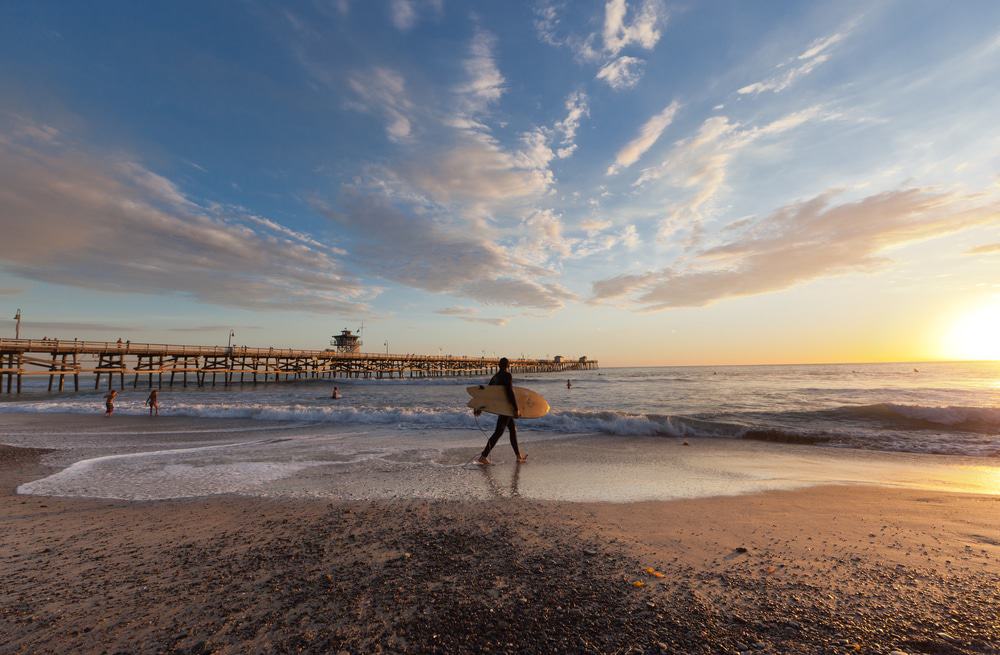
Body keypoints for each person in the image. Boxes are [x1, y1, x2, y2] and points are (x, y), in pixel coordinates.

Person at [474, 357, 525, 465]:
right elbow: (510, 392)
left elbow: (487, 392)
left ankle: (518, 456)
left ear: (498, 366)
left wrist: (479, 407)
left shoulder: (495, 377)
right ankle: (483, 456)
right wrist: (516, 408)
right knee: (498, 433)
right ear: (508, 365)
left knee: (512, 430)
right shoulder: (507, 375)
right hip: (506, 408)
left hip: (502, 408)